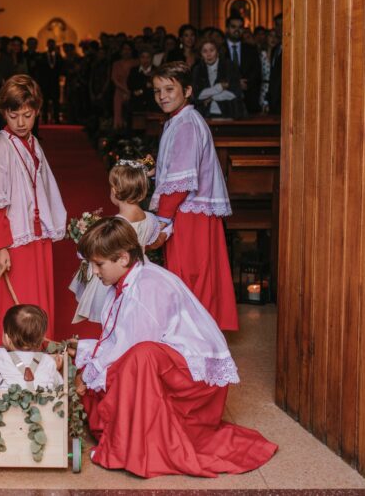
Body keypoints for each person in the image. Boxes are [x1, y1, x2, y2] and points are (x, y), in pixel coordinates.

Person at [67, 218, 277, 478]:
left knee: (139, 358)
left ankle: (139, 446)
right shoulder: (127, 279)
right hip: (169, 363)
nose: (95, 272)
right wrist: (86, 357)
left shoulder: (148, 286)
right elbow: (117, 338)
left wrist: (88, 372)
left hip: (194, 380)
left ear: (122, 258)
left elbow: (131, 350)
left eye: (98, 264)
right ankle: (128, 435)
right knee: (107, 366)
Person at [149, 62, 239, 331]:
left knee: (188, 275)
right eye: (157, 91)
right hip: (191, 210)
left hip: (188, 212)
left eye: (169, 89)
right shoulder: (181, 119)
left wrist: (162, 219)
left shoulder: (186, 123)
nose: (162, 96)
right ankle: (197, 330)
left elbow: (180, 181)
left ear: (187, 90)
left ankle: (192, 333)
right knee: (196, 273)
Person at [0, 75, 67, 343]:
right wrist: (0, 246)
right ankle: (9, 361)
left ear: (37, 111)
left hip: (33, 234)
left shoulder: (33, 142)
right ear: (3, 112)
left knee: (34, 299)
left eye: (27, 115)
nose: (20, 122)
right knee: (14, 304)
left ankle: (36, 354)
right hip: (11, 240)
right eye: (13, 114)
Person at [70, 161, 169, 324]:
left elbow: (104, 249)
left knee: (111, 314)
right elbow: (149, 241)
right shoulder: (150, 218)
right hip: (140, 269)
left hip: (117, 272)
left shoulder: (117, 224)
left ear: (114, 191)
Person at [0, 304, 63, 390]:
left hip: (3, 410)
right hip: (43, 411)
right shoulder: (48, 361)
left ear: (7, 338)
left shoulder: (0, 356)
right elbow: (59, 385)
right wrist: (54, 369)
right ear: (41, 339)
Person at [191, 37, 245, 119]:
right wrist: (219, 87)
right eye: (205, 51)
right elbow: (198, 95)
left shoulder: (229, 66)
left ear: (218, 52)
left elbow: (234, 92)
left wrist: (211, 97)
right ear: (200, 55)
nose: (208, 54)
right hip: (205, 115)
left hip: (229, 114)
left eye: (212, 50)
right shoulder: (197, 69)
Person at [223, 14, 262, 115]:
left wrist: (246, 83)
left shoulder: (251, 49)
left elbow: (257, 72)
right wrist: (235, 83)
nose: (237, 30)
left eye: (240, 27)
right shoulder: (219, 49)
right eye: (233, 27)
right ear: (227, 28)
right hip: (225, 100)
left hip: (248, 100)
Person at [110, 41, 138, 130]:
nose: (126, 51)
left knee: (131, 115)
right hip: (119, 91)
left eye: (128, 49)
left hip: (133, 91)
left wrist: (129, 91)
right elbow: (114, 78)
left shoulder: (136, 62)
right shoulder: (116, 64)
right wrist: (125, 90)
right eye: (124, 49)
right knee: (118, 114)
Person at [35, 39, 63, 123]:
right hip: (45, 83)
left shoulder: (58, 56)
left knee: (56, 101)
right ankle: (45, 118)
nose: (51, 46)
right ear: (47, 45)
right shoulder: (42, 56)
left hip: (55, 82)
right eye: (49, 44)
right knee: (45, 101)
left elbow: (61, 68)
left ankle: (56, 118)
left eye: (52, 44)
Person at [125, 48, 156, 113]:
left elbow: (154, 87)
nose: (145, 60)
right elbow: (130, 84)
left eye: (148, 57)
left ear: (152, 58)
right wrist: (145, 86)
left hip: (152, 105)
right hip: (136, 104)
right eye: (143, 57)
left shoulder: (156, 70)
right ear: (139, 58)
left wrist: (141, 90)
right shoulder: (134, 70)